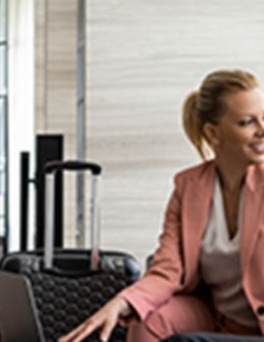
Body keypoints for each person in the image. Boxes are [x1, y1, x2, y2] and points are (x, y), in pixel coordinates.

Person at [61, 70, 264, 342]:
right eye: (247, 122)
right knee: (149, 319)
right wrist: (120, 303)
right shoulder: (189, 187)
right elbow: (168, 269)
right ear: (212, 133)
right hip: (220, 319)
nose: (262, 130)